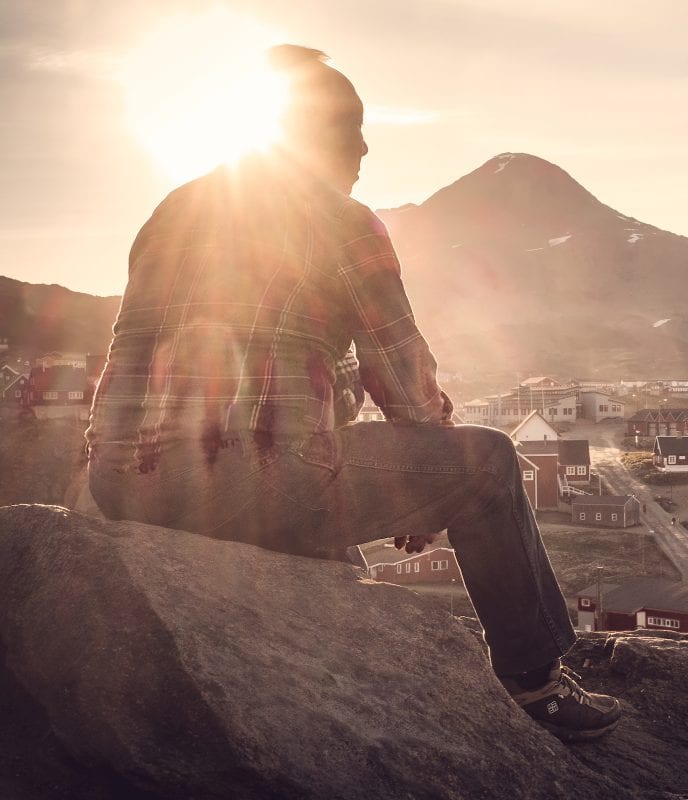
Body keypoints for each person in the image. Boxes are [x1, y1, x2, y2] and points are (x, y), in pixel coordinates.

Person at [85, 44, 619, 742]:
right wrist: (431, 470)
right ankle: (534, 683)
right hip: (250, 482)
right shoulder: (342, 222)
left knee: (328, 530)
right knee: (487, 464)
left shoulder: (174, 210)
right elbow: (401, 375)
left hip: (124, 482)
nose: (364, 152)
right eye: (352, 133)